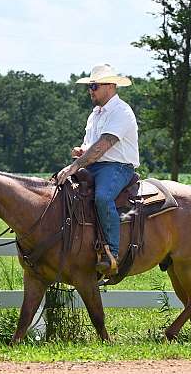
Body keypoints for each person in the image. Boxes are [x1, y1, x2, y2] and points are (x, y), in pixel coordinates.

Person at [56, 64, 139, 273]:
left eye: (94, 86)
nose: (90, 90)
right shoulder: (95, 114)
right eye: (90, 86)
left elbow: (103, 145)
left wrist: (74, 166)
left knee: (103, 197)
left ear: (110, 86)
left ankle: (112, 252)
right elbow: (91, 145)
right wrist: (81, 151)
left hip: (117, 167)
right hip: (93, 165)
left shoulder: (121, 111)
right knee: (62, 192)